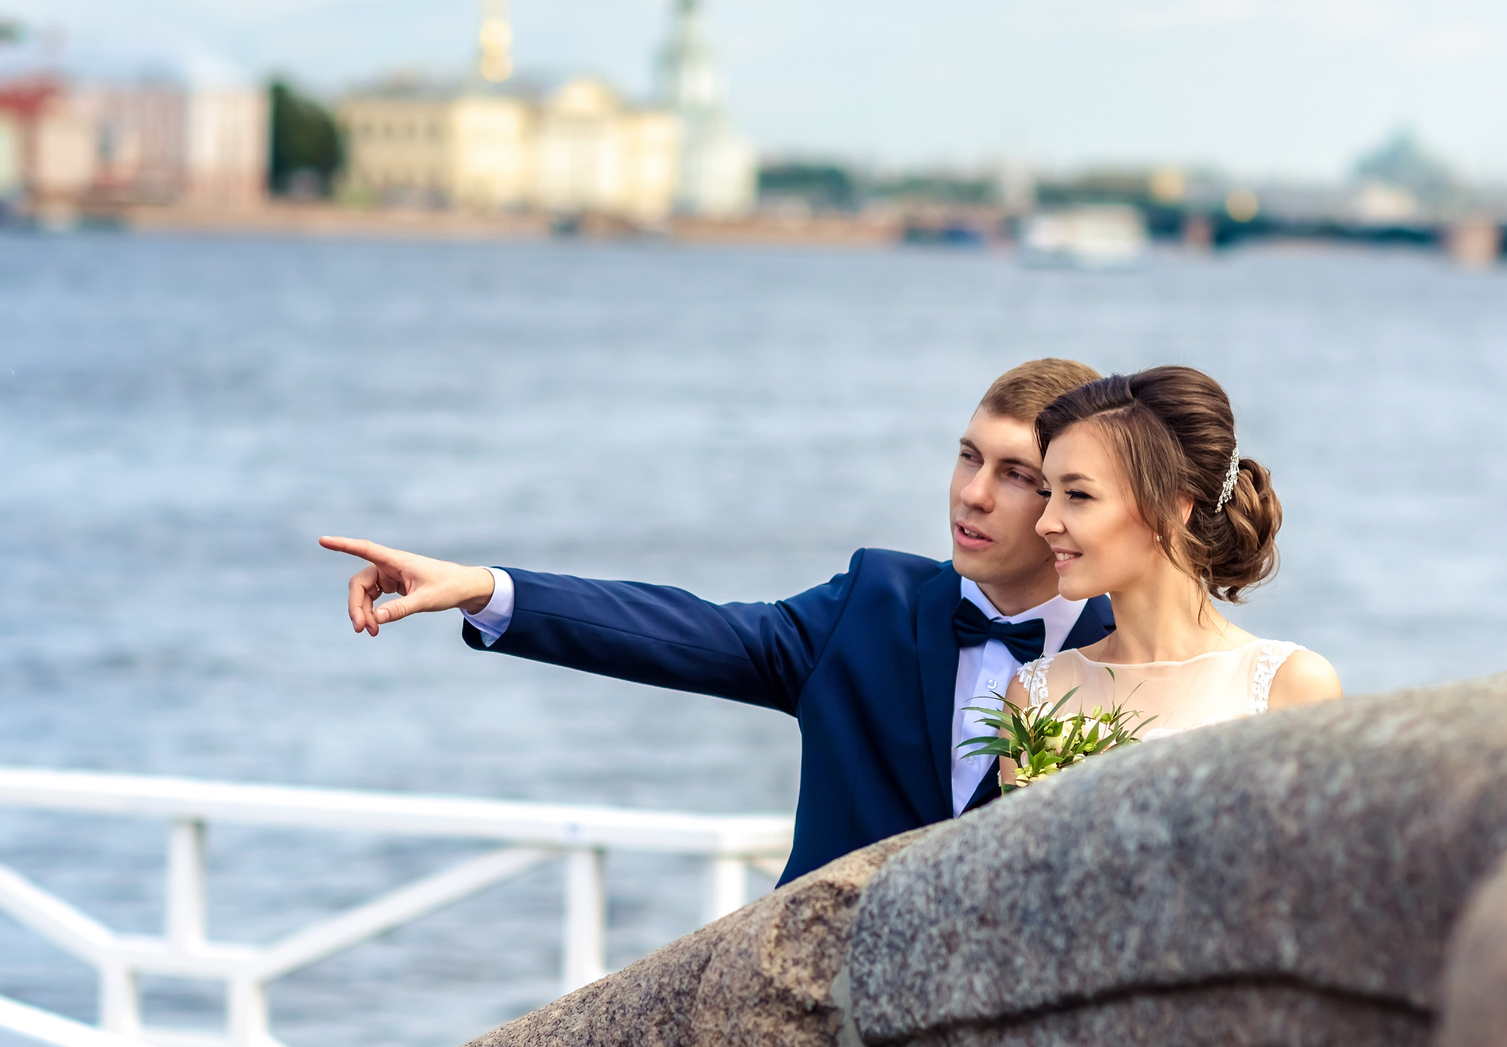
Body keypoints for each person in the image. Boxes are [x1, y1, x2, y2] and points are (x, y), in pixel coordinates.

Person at [319, 359, 1114, 883]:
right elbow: (684, 632)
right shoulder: (873, 604)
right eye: (967, 456)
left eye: (1016, 476)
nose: (971, 493)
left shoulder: (1134, 655)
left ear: (1072, 503)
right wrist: (483, 588)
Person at [998, 367, 1339, 783]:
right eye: (1047, 493)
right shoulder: (1035, 696)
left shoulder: (1289, 687)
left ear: (1176, 506)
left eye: (1078, 495)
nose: (1045, 523)